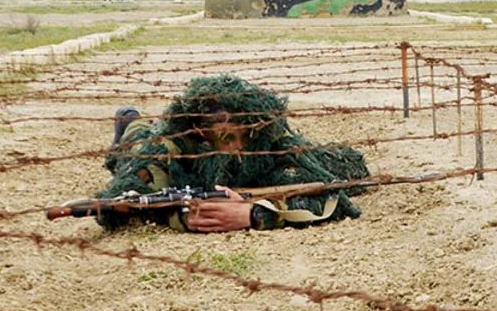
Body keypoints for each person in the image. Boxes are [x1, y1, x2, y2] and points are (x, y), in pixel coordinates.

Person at [100, 74, 370, 232]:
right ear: (203, 134)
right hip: (152, 143)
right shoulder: (175, 144)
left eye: (247, 135)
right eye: (226, 138)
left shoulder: (270, 137)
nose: (238, 147)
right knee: (136, 145)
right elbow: (119, 204)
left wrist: (256, 214)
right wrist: (183, 216)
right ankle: (131, 121)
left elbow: (333, 198)